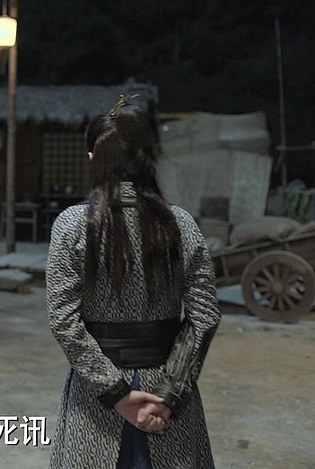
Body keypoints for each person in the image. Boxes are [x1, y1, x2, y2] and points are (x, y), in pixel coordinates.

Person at [46, 97, 220, 468]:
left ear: (92, 160)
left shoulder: (72, 225)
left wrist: (117, 393)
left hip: (96, 399)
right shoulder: (181, 224)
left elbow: (64, 321)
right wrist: (170, 393)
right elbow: (204, 315)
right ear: (147, 160)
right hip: (165, 396)